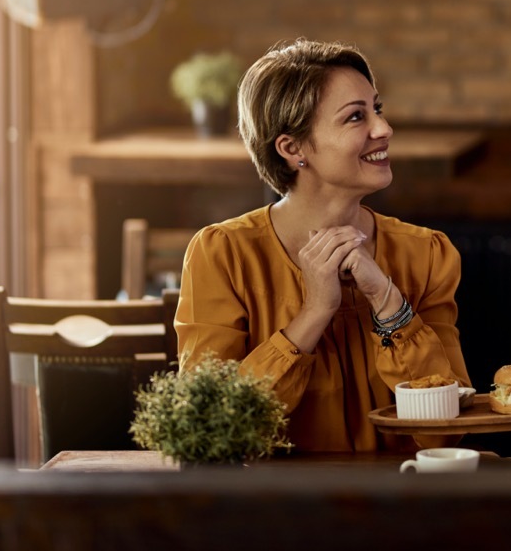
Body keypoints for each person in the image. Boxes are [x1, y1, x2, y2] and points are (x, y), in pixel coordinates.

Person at [174, 39, 471, 454]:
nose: (384, 129)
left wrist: (387, 302)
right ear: (292, 149)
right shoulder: (222, 254)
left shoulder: (426, 254)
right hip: (274, 511)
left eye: (377, 109)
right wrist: (314, 312)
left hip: (400, 505)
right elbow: (211, 432)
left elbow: (444, 433)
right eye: (355, 117)